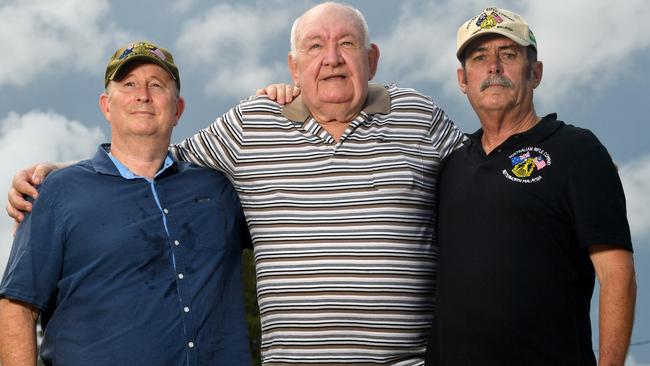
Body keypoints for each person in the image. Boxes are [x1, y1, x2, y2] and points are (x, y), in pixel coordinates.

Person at [6, 2, 464, 364]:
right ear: (293, 65)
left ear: (372, 58)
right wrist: (60, 170)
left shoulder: (417, 115)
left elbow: (484, 174)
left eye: (346, 44)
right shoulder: (251, 124)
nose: (332, 58)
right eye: (315, 47)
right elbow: (149, 161)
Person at [0, 41, 251, 366]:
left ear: (178, 109)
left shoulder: (219, 189)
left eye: (157, 85)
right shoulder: (58, 192)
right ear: (106, 105)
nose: (143, 95)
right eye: (129, 84)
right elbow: (18, 305)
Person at [425, 8, 636, 366]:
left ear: (534, 73)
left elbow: (617, 275)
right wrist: (296, 96)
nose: (493, 67)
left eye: (508, 54)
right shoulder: (449, 164)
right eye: (480, 58)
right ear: (463, 79)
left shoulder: (577, 150)